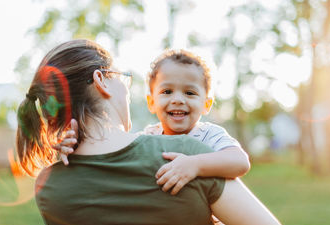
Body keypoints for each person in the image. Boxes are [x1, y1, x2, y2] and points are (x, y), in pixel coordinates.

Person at [16, 39, 281, 225]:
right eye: (121, 77)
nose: (177, 100)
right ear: (101, 81)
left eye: (189, 93)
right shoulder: (180, 154)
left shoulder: (49, 186)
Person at [59, 49, 250, 196]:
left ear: (206, 104)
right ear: (151, 102)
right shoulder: (146, 138)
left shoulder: (209, 135)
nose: (178, 99)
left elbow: (240, 162)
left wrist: (195, 164)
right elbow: (112, 159)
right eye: (167, 92)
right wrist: (76, 148)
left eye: (189, 93)